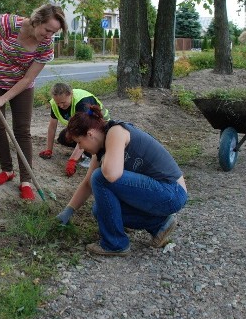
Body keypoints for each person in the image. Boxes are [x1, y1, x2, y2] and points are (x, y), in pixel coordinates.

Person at [0, 4, 68, 200]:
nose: (49, 36)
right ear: (37, 20)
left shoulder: (46, 45)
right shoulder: (10, 24)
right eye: (47, 30)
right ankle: (7, 170)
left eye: (54, 33)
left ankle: (26, 181)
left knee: (22, 130)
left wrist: (4, 98)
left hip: (21, 84)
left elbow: (28, 79)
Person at [55, 105, 188, 256]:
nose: (80, 148)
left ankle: (115, 244)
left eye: (79, 142)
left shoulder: (115, 132)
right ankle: (159, 225)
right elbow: (87, 184)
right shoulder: (101, 147)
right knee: (100, 210)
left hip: (172, 192)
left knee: (100, 177)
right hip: (161, 193)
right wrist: (68, 211)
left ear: (90, 134)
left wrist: (103, 158)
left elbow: (111, 175)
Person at [39, 82, 109, 176]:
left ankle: (92, 156)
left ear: (70, 94)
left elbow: (84, 133)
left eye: (63, 102)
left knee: (90, 142)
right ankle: (84, 151)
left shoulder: (83, 102)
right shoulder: (55, 103)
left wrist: (72, 160)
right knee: (63, 138)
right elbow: (52, 127)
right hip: (83, 129)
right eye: (58, 103)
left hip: (100, 129)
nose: (61, 106)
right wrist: (49, 149)